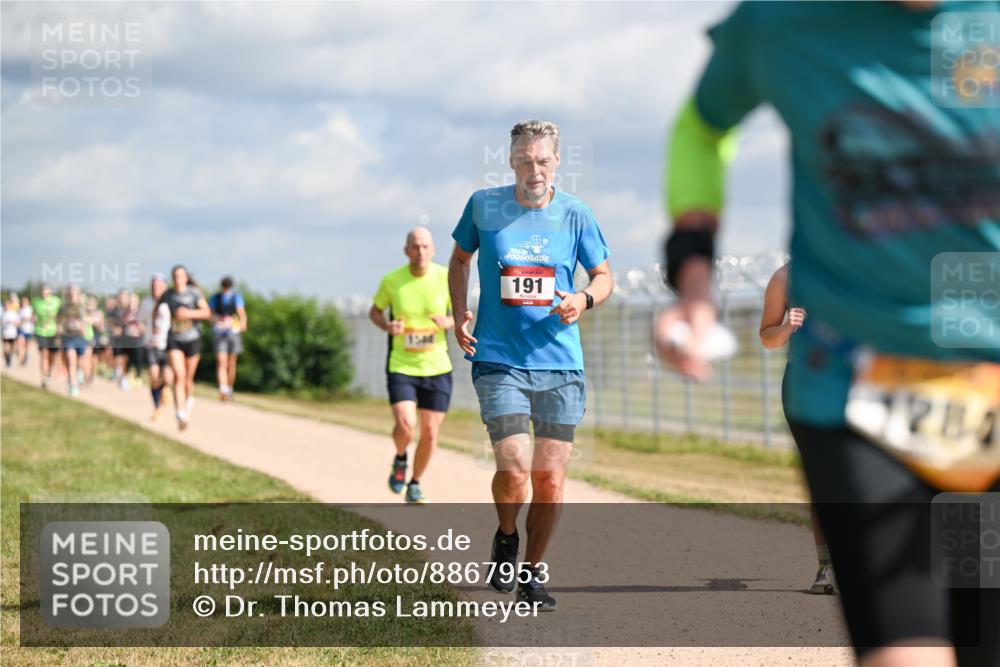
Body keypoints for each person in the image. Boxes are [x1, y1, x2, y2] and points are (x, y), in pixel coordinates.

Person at [657, 3, 999, 665]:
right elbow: (702, 128)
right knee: (909, 651)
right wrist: (693, 276)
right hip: (855, 386)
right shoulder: (787, 21)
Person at [449, 120, 613, 611]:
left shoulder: (576, 215)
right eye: (524, 160)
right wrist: (460, 312)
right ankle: (505, 535)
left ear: (557, 162)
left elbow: (604, 276)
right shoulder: (484, 205)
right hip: (499, 358)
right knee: (516, 466)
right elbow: (458, 261)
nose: (533, 169)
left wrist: (582, 299)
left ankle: (532, 571)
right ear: (511, 161)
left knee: (551, 477)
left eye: (542, 160)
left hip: (561, 364)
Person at [760, 262, 836, 595]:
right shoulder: (785, 277)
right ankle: (827, 567)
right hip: (805, 384)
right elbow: (767, 338)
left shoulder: (864, 259)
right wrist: (786, 328)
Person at [370, 227, 454, 505]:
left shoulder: (445, 277)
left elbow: (462, 314)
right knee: (406, 424)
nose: (420, 252)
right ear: (406, 250)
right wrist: (387, 325)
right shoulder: (392, 281)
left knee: (430, 432)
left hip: (437, 365)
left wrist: (449, 323)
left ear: (433, 249)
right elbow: (375, 311)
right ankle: (401, 456)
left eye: (425, 247)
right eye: (415, 247)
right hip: (402, 364)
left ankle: (415, 483)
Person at [160, 265, 210, 430]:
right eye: (174, 275)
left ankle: (188, 400)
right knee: (179, 375)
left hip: (193, 339)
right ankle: (180, 412)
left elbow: (207, 313)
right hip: (174, 339)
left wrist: (189, 314)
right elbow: (156, 309)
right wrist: (154, 326)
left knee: (188, 379)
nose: (177, 278)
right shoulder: (168, 295)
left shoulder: (194, 293)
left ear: (186, 277)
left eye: (180, 275)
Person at [138, 273, 172, 421]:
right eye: (153, 285)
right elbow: (140, 321)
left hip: (167, 344)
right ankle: (157, 408)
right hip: (151, 344)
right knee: (153, 375)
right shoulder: (146, 302)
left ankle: (165, 388)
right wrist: (143, 330)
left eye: (158, 285)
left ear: (164, 286)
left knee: (168, 378)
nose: (155, 288)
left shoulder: (170, 302)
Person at [208, 276, 247, 403]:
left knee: (231, 364)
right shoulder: (215, 298)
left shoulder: (236, 298)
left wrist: (242, 324)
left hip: (233, 332)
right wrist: (218, 320)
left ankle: (229, 389)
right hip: (219, 332)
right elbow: (211, 316)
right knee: (221, 362)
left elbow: (241, 315)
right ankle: (223, 389)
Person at [57, 285, 88, 397]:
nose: (72, 295)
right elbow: (59, 320)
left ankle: (78, 373)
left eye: (74, 293)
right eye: (70, 293)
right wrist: (59, 333)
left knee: (80, 362)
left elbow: (85, 320)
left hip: (80, 337)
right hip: (68, 337)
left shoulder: (82, 307)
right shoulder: (64, 307)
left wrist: (82, 326)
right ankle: (73, 385)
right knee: (71, 359)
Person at [31, 284, 61, 390]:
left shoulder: (57, 301)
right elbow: (33, 315)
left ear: (50, 292)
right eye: (43, 291)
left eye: (46, 290)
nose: (44, 293)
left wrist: (59, 328)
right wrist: (33, 321)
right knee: (44, 353)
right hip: (41, 331)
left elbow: (60, 316)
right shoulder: (36, 302)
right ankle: (44, 378)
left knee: (52, 356)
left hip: (53, 332)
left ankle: (48, 372)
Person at [2, 295, 21, 368]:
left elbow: (19, 324)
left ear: (10, 304)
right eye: (5, 304)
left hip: (12, 334)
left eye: (7, 304)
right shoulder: (3, 313)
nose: (6, 305)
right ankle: (8, 360)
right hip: (5, 334)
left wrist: (13, 322)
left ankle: (10, 357)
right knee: (5, 349)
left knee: (12, 348)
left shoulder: (14, 313)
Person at [17, 295, 34, 366]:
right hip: (21, 330)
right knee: (20, 344)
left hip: (29, 329)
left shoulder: (30, 309)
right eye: (22, 300)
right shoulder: (20, 309)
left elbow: (33, 318)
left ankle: (26, 357)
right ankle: (22, 358)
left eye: (25, 300)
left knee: (27, 346)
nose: (23, 302)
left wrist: (26, 319)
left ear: (28, 301)